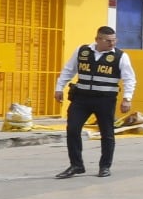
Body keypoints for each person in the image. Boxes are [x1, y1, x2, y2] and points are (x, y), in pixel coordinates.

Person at [54, 25, 135, 179]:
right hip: (82, 99)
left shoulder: (120, 56)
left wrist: (127, 98)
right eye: (108, 40)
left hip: (105, 100)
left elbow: (129, 78)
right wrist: (59, 88)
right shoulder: (82, 51)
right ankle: (76, 165)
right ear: (97, 39)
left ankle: (105, 166)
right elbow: (68, 70)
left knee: (107, 134)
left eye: (114, 40)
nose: (112, 43)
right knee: (72, 129)